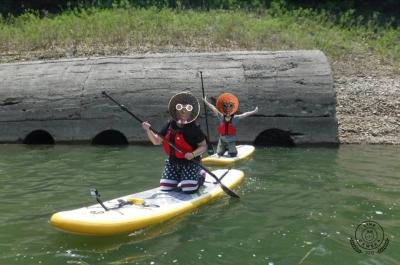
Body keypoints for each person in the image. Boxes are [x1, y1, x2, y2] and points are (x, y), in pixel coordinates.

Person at [142, 92, 207, 194]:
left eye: (187, 110)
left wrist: (193, 154)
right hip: (173, 162)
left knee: (188, 189)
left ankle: (200, 175)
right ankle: (181, 178)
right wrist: (148, 130)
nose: (183, 112)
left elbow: (203, 146)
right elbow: (156, 141)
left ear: (191, 113)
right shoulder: (168, 125)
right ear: (176, 110)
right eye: (181, 109)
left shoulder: (194, 128)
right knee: (165, 187)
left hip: (190, 162)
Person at [203, 92, 258, 157]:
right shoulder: (221, 116)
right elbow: (213, 108)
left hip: (231, 140)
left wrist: (254, 111)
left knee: (233, 154)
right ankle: (224, 149)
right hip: (222, 140)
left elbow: (244, 114)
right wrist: (205, 101)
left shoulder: (235, 117)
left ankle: (231, 150)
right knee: (219, 153)